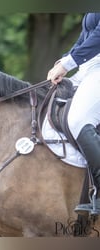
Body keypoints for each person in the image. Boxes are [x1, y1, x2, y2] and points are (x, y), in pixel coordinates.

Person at [47, 13, 100, 214]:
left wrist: (68, 63)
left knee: (78, 120)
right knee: (47, 99)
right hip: (88, 67)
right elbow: (87, 35)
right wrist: (65, 60)